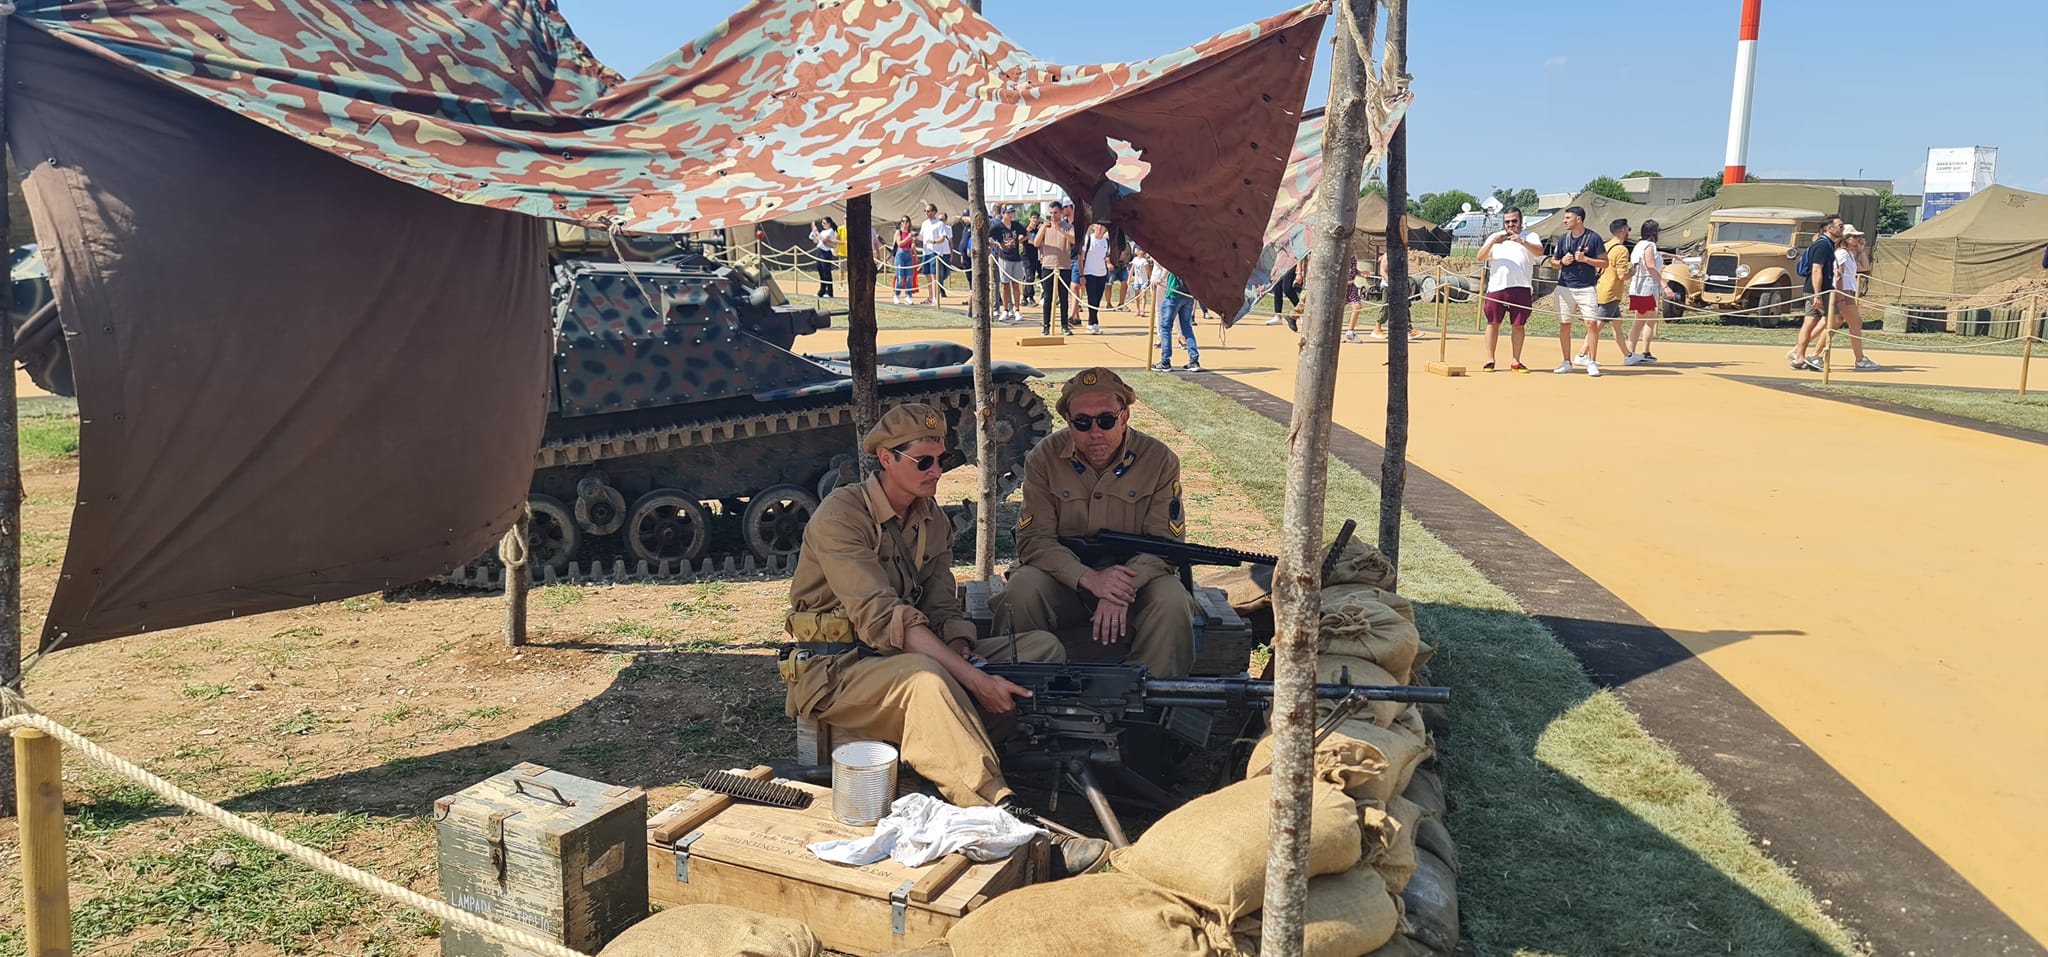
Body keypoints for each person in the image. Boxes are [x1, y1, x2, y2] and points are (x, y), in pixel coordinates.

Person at [781, 404, 1109, 875]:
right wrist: (973, 679)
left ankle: (994, 760)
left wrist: (959, 644)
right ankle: (1006, 816)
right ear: (888, 460)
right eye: (924, 462)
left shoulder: (928, 517)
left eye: (943, 460)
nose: (938, 471)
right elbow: (884, 617)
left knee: (1042, 650)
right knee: (928, 680)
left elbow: (940, 604)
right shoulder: (842, 516)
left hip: (898, 657)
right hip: (837, 671)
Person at [992, 370, 1197, 679]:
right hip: (1065, 582)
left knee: (1172, 600)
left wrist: (1118, 589)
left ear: (1125, 416)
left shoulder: (1159, 460)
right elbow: (1035, 540)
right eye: (1083, 423)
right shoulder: (1044, 458)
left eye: (1106, 420)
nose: (1095, 432)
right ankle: (1019, 697)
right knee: (1022, 590)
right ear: (1069, 422)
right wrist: (1089, 579)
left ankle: (1153, 703)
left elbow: (1165, 546)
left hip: (1137, 583)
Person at [1547, 206, 1608, 376]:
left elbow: (1605, 263)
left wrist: (1586, 259)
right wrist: (1562, 262)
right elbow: (1553, 262)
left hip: (1587, 287)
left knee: (1591, 324)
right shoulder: (1563, 239)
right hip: (1564, 287)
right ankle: (1566, 361)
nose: (1564, 221)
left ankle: (1592, 361)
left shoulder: (1594, 238)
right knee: (1565, 324)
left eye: (1568, 218)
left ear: (1578, 219)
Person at [1477, 207, 1540, 371]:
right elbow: (1480, 257)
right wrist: (1493, 241)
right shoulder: (1495, 237)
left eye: (1514, 221)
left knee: (1518, 325)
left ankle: (1516, 360)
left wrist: (1522, 241)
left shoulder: (1530, 236)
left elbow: (1539, 252)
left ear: (1521, 221)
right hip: (1497, 286)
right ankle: (1490, 359)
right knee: (1493, 323)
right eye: (1507, 221)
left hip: (1521, 286)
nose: (1510, 224)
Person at [1790, 214, 1844, 370]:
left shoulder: (1826, 244)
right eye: (1840, 226)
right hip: (1820, 290)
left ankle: (1799, 358)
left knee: (1810, 323)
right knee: (1835, 320)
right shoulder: (1823, 245)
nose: (1842, 229)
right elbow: (1816, 270)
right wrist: (1818, 294)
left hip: (1816, 289)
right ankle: (1815, 356)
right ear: (1829, 228)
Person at [1587, 218, 1638, 366]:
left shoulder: (1605, 246)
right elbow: (1622, 275)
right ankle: (1583, 354)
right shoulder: (1621, 250)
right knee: (1596, 327)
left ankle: (1628, 355)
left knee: (1617, 324)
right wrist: (1633, 272)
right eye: (1628, 229)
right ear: (1623, 230)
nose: (1629, 232)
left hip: (1602, 288)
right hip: (1611, 292)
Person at [1833, 225, 1881, 370]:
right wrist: (1840, 297)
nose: (1859, 239)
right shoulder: (1841, 253)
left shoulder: (1849, 254)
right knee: (1855, 323)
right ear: (1846, 239)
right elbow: (1838, 275)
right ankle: (1860, 359)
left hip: (1847, 291)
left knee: (1833, 325)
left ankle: (1809, 353)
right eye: (1855, 237)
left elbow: (1865, 267)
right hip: (1843, 291)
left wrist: (1861, 251)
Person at [1626, 220, 1672, 362]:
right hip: (1645, 287)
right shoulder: (1649, 245)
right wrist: (1665, 285)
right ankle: (1630, 354)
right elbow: (1651, 266)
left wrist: (1675, 257)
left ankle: (1645, 351)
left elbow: (1656, 255)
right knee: (1640, 321)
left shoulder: (1641, 245)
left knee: (1650, 319)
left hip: (1642, 286)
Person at [1153, 267, 1203, 372]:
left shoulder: (1175, 255)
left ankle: (1165, 362)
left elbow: (1167, 266)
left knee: (1166, 328)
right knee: (1187, 328)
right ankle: (1194, 360)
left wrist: (1161, 279)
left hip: (1174, 295)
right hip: (1188, 295)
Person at [1034, 204, 1074, 334]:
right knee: (1048, 298)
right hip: (1048, 266)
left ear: (1061, 212)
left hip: (1064, 266)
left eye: (1055, 213)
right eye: (1051, 213)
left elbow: (1073, 240)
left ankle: (1064, 326)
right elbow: (1036, 243)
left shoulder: (1068, 227)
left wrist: (1060, 230)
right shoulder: (1044, 226)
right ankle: (1046, 326)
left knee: (1063, 298)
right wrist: (1044, 229)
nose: (1053, 215)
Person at [988, 206, 1030, 323]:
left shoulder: (1016, 225)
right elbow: (987, 237)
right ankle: (1005, 309)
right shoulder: (997, 227)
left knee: (1016, 284)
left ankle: (1017, 309)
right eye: (1009, 213)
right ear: (1003, 213)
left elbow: (1027, 234)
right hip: (1004, 257)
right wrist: (997, 244)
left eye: (1012, 212)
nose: (1011, 215)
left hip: (1016, 257)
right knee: (1004, 284)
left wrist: (1019, 241)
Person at [1080, 222, 1113, 334]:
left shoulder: (1107, 242)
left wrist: (1109, 263)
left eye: (1102, 226)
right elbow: (1081, 257)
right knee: (1092, 298)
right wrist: (1081, 275)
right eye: (1098, 225)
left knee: (1098, 300)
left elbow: (1107, 256)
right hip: (1089, 272)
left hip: (1102, 274)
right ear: (1094, 226)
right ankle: (1092, 323)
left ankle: (1093, 322)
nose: (1099, 228)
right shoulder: (1088, 239)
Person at [917, 204, 953, 306]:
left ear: (934, 212)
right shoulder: (924, 223)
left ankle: (935, 298)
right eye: (925, 211)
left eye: (928, 211)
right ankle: (930, 297)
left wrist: (933, 241)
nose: (926, 213)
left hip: (935, 252)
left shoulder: (939, 224)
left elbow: (942, 239)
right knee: (928, 276)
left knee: (934, 276)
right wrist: (914, 236)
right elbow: (921, 236)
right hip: (926, 252)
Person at [809, 217, 839, 298]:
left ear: (829, 223)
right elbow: (816, 241)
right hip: (819, 251)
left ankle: (830, 292)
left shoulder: (831, 231)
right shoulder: (823, 231)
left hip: (825, 252)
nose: (823, 224)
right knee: (821, 272)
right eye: (822, 223)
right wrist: (814, 233)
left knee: (827, 273)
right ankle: (821, 291)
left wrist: (817, 233)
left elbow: (825, 240)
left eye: (824, 223)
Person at [1263, 261, 1299, 326]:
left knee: (1287, 289)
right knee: (1277, 289)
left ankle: (1300, 312)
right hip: (1279, 262)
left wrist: (1299, 272)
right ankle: (1278, 316)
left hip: (1291, 262)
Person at [891, 216, 918, 304]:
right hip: (900, 254)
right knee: (900, 277)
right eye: (903, 221)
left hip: (908, 254)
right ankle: (896, 295)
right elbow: (900, 243)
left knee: (909, 277)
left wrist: (915, 254)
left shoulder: (910, 232)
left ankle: (908, 296)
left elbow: (912, 245)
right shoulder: (898, 232)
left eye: (907, 221)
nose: (905, 223)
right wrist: (908, 238)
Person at [1129, 246, 1153, 317]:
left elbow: (1148, 271)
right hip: (1137, 280)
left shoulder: (1144, 261)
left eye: (1140, 250)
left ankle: (1143, 310)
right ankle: (1137, 309)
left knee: (1143, 296)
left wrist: (1150, 279)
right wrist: (1129, 279)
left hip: (1144, 281)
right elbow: (1132, 270)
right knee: (1136, 296)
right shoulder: (1135, 259)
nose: (1138, 251)